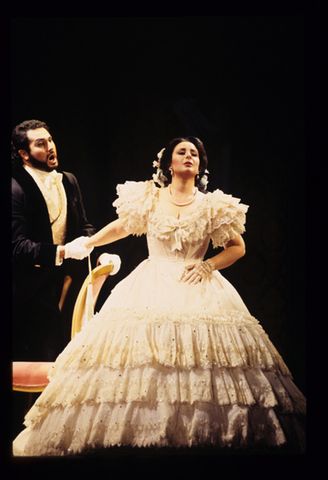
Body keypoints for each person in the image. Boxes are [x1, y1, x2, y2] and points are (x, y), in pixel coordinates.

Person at [13, 136, 306, 455]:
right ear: (168, 162)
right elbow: (122, 226)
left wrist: (207, 266)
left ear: (200, 165)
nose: (189, 156)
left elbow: (238, 247)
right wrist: (91, 242)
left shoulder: (213, 205)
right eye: (182, 152)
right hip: (151, 282)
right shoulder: (149, 198)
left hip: (198, 283)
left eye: (194, 153)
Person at [12, 119, 95, 362]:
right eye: (40, 144)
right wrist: (62, 252)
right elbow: (16, 246)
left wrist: (94, 245)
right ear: (24, 154)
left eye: (50, 140)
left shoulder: (68, 180)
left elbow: (84, 227)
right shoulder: (15, 186)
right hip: (20, 292)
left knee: (51, 363)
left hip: (54, 288)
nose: (50, 147)